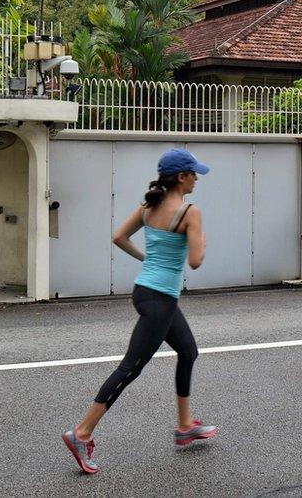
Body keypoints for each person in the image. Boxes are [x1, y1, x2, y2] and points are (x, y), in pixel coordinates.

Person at [63, 148, 217, 474]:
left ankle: (185, 425)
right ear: (181, 177)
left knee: (188, 351)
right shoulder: (190, 212)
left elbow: (119, 237)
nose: (196, 179)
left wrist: (146, 260)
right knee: (130, 368)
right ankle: (81, 433)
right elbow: (195, 261)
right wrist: (200, 239)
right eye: (193, 174)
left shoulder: (149, 206)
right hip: (160, 300)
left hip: (149, 292)